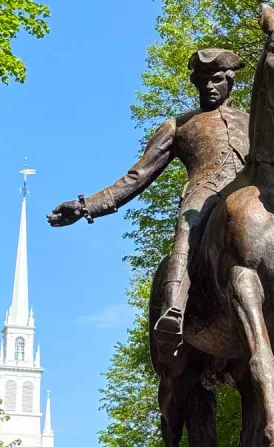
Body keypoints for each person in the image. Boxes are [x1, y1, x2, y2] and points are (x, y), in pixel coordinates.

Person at [47, 48, 249, 356]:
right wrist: (86, 206)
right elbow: (136, 177)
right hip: (205, 194)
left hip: (250, 197)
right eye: (202, 81)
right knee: (188, 225)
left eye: (217, 79)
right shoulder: (178, 126)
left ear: (230, 82)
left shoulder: (253, 123)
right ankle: (173, 310)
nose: (209, 87)